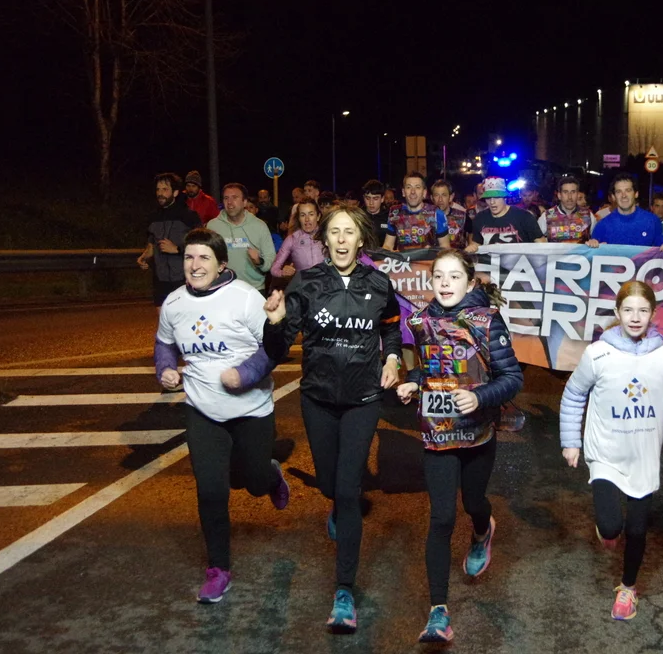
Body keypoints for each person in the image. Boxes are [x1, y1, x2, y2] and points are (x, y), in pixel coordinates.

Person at [262, 204, 402, 634]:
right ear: (325, 240)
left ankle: (344, 592)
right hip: (318, 398)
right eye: (335, 233)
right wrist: (275, 323)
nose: (342, 240)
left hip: (363, 399)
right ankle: (338, 503)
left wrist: (393, 358)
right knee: (329, 486)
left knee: (347, 489)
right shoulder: (306, 282)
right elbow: (277, 349)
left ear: (361, 240)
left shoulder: (378, 283)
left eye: (349, 232)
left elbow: (391, 327)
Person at [559, 281, 663, 621]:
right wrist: (571, 442)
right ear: (617, 313)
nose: (635, 317)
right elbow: (573, 395)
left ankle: (628, 587)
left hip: (643, 457)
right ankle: (607, 531)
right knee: (611, 526)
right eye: (628, 310)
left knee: (638, 531)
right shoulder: (598, 354)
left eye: (643, 310)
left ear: (653, 314)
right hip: (606, 454)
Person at [154, 228, 289, 604]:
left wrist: (244, 374)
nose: (195, 265)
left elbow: (275, 349)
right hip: (202, 411)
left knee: (253, 482)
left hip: (251, 410)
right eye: (189, 257)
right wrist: (166, 369)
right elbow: (164, 343)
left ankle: (270, 475)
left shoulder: (244, 298)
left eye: (204, 258)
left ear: (221, 264)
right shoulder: (174, 303)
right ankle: (218, 569)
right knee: (211, 491)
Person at [396, 250, 523, 644]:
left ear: (469, 283)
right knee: (441, 518)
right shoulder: (420, 320)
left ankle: (483, 530)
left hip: (477, 433)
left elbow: (512, 377)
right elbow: (428, 366)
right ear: (431, 281)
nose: (446, 283)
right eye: (439, 276)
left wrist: (480, 396)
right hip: (437, 434)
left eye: (454, 276)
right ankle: (438, 612)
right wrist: (413, 381)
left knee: (473, 503)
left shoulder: (486, 321)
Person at [137, 172, 201, 307]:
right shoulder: (153, 217)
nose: (160, 193)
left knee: (184, 319)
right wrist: (144, 257)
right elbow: (151, 245)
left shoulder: (189, 216)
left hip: (184, 280)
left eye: (165, 189)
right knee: (163, 319)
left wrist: (177, 249)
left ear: (175, 192)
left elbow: (201, 246)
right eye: (158, 189)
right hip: (160, 281)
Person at [206, 183, 276, 293]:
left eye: (234, 197)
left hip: (254, 289)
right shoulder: (213, 226)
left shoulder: (260, 226)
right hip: (222, 289)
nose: (229, 202)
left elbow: (270, 258)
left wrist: (259, 262)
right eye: (226, 198)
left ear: (244, 202)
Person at [465, 176, 545, 252]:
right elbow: (476, 243)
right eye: (488, 198)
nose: (492, 202)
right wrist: (472, 247)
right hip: (491, 261)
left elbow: (541, 243)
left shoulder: (524, 217)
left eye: (496, 197)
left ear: (504, 197)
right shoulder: (480, 218)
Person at [593, 174, 663, 249]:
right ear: (613, 197)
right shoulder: (602, 226)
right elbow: (593, 253)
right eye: (619, 191)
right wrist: (591, 246)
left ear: (636, 194)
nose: (624, 195)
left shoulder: (652, 221)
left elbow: (662, 248)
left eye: (628, 190)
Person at [384, 173, 452, 251]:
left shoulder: (436, 213)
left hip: (429, 259)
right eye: (409, 187)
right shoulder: (395, 213)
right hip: (402, 258)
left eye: (417, 187)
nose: (413, 192)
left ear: (424, 192)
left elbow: (445, 248)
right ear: (403, 192)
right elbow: (387, 246)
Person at [270, 199, 324, 280]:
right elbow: (274, 269)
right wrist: (283, 272)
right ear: (298, 218)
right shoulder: (292, 239)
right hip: (303, 286)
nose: (307, 219)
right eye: (302, 215)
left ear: (318, 216)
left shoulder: (328, 236)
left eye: (311, 214)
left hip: (327, 286)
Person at [538, 175, 599, 246]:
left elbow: (597, 240)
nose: (570, 197)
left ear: (577, 194)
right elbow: (536, 241)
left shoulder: (588, 215)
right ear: (559, 195)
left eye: (573, 192)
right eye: (565, 192)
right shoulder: (547, 216)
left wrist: (594, 241)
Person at [431, 179, 469, 251]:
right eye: (436, 195)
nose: (440, 199)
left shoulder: (462, 216)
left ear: (451, 197)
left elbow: (471, 242)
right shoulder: (427, 218)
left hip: (457, 256)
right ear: (431, 198)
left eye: (444, 195)